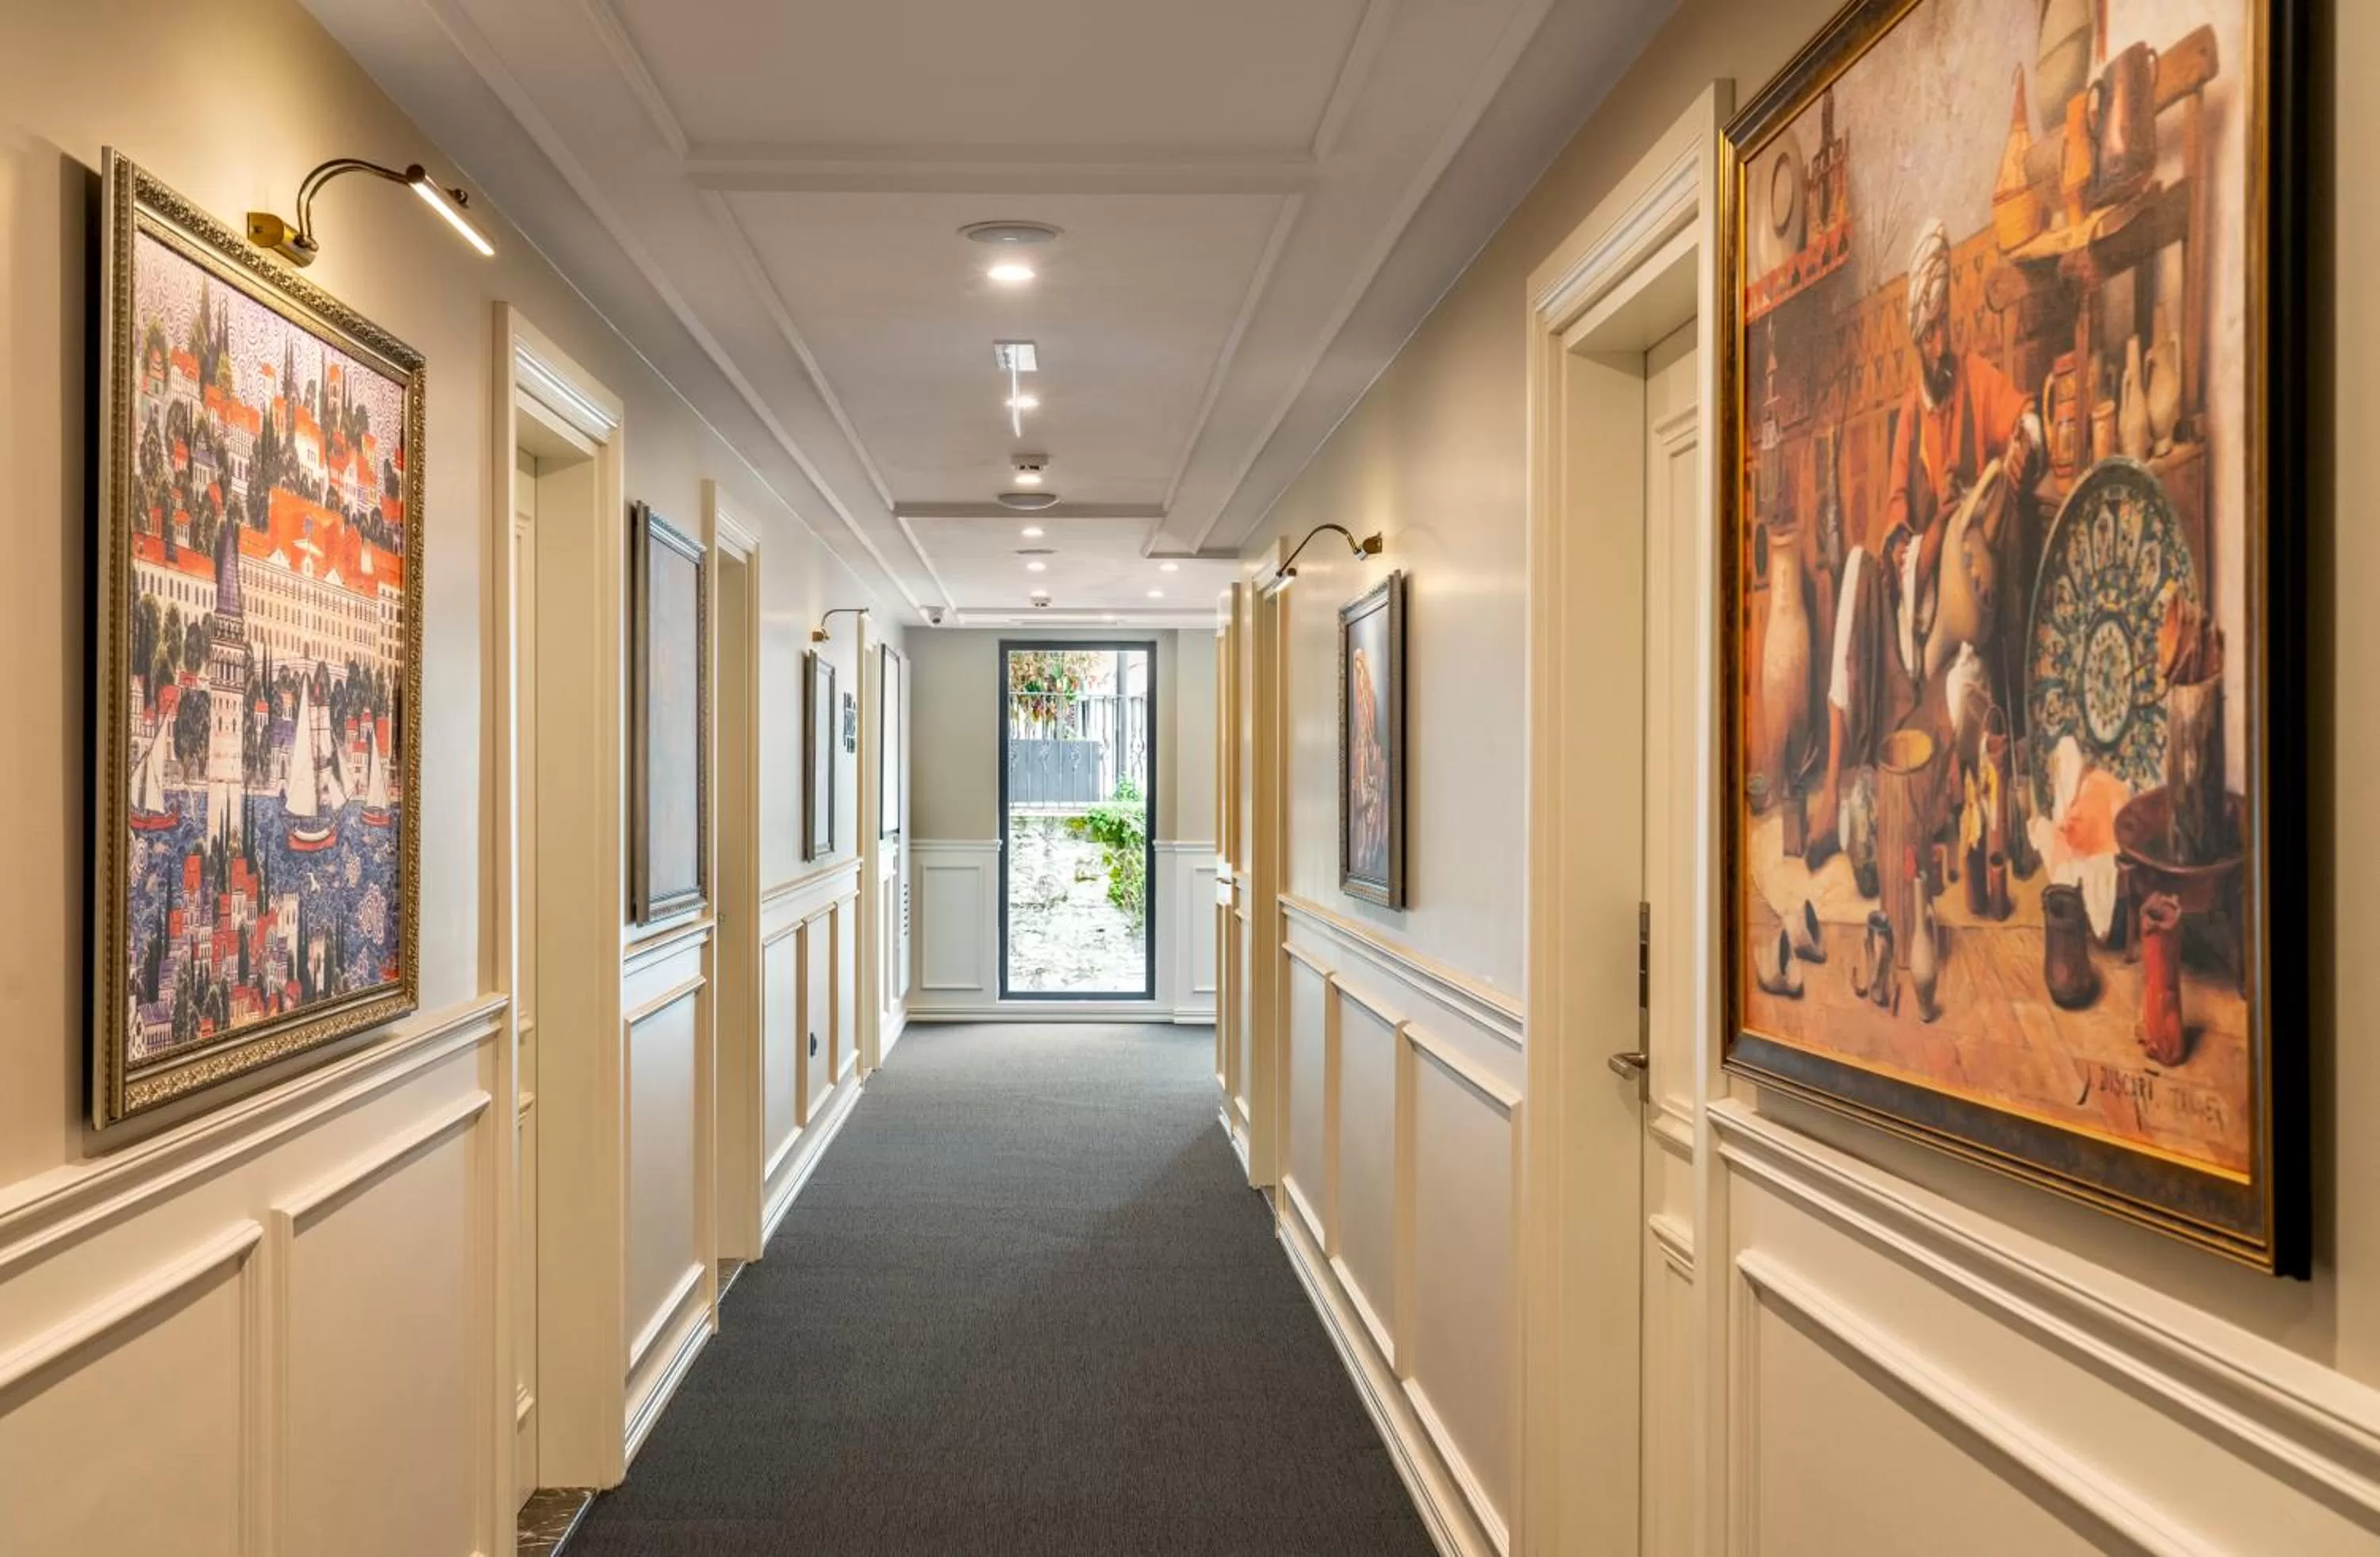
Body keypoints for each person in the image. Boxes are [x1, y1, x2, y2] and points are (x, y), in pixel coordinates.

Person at [1809, 219, 2040, 859]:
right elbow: (1892, 528)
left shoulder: (1975, 379)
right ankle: (1832, 792)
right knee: (1856, 565)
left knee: (1968, 690)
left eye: (1944, 324)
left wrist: (2029, 442)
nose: (1939, 340)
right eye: (1928, 329)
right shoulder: (1910, 414)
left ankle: (1905, 807)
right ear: (1914, 336)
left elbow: (2022, 416)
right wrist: (1924, 532)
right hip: (1907, 625)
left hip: (1954, 638)